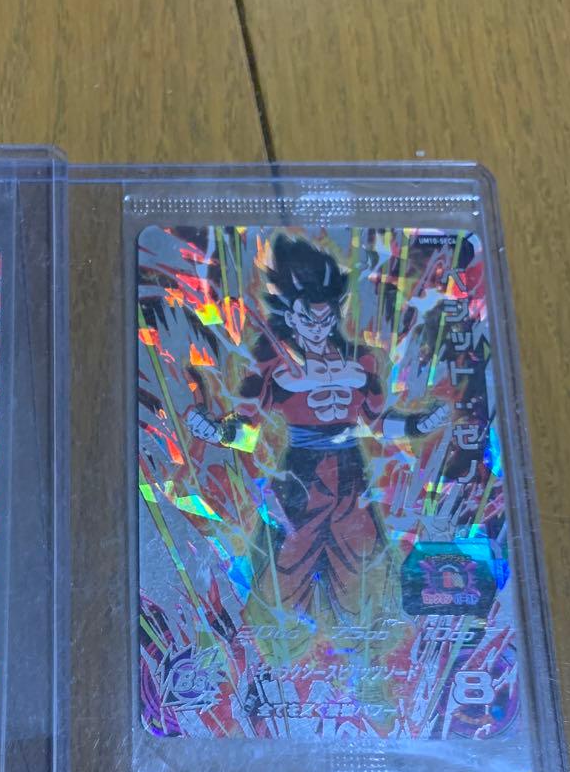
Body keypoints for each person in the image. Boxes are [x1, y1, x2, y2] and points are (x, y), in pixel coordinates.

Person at [186, 234, 448, 617]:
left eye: (327, 318)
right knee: (287, 567)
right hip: (301, 472)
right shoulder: (271, 362)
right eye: (310, 319)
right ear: (291, 315)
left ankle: (366, 639)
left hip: (350, 473)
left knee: (364, 568)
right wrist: (218, 431)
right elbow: (248, 430)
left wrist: (418, 425)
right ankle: (277, 639)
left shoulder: (361, 361)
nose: (319, 327)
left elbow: (377, 423)